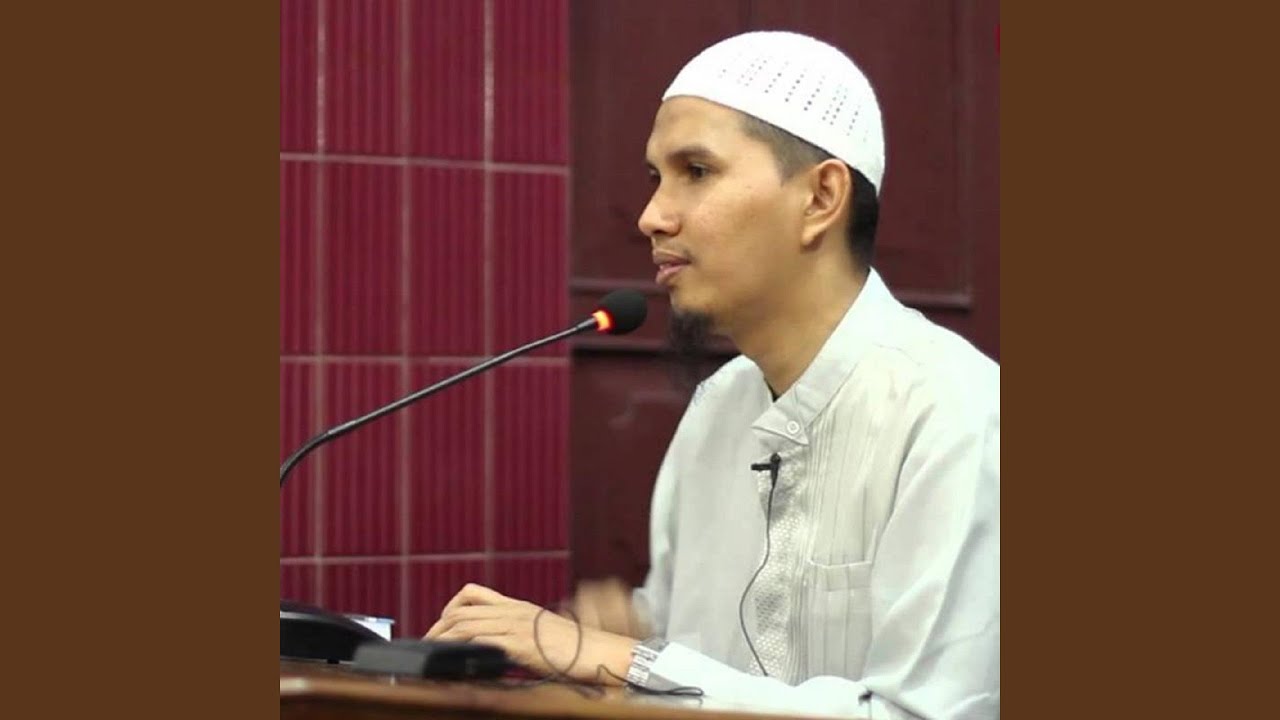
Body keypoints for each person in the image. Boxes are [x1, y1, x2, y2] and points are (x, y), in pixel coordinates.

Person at [426, 31, 999, 720]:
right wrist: (621, 642)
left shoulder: (960, 413)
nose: (651, 217)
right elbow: (681, 661)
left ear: (820, 198)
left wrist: (625, 660)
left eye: (696, 171)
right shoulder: (717, 409)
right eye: (655, 178)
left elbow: (924, 713)